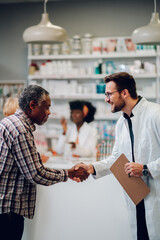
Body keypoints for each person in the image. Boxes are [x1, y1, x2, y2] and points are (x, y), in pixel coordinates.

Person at [75, 72, 160, 240]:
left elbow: (144, 166)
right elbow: (116, 158)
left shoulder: (155, 114)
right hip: (137, 197)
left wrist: (145, 169)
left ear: (124, 93)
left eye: (109, 94)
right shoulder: (121, 123)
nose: (106, 99)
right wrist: (91, 167)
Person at [0, 85, 89, 240]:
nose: (49, 112)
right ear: (32, 105)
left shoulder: (8, 122)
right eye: (46, 107)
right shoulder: (21, 130)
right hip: (8, 210)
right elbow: (35, 173)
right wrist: (69, 173)